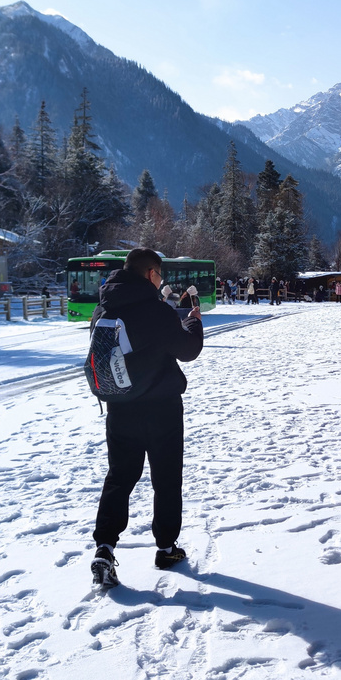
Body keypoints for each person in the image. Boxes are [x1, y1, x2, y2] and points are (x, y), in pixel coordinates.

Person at [90, 247, 204, 587]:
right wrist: (194, 322)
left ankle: (105, 547)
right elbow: (188, 350)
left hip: (120, 408)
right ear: (150, 274)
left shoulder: (102, 309)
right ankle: (166, 547)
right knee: (166, 478)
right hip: (161, 409)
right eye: (160, 275)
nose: (162, 281)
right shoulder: (156, 311)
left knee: (120, 477)